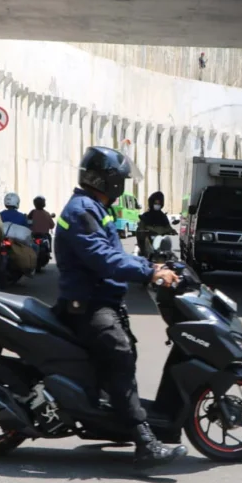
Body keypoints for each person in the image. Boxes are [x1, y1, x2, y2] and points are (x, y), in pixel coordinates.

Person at [53, 146, 187, 465]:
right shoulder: (82, 211)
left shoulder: (96, 208)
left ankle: (110, 418)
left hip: (101, 299)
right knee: (120, 353)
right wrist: (149, 271)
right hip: (86, 303)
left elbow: (117, 252)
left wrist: (154, 262)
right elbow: (104, 259)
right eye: (120, 180)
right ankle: (143, 441)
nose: (122, 186)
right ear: (106, 180)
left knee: (124, 354)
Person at [136, 191, 175, 257]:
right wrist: (142, 231)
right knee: (142, 253)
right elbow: (140, 227)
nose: (157, 205)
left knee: (171, 255)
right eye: (155, 203)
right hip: (149, 240)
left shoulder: (163, 216)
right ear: (151, 203)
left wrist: (172, 230)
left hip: (161, 241)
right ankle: (143, 254)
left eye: (159, 203)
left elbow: (168, 227)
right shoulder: (145, 216)